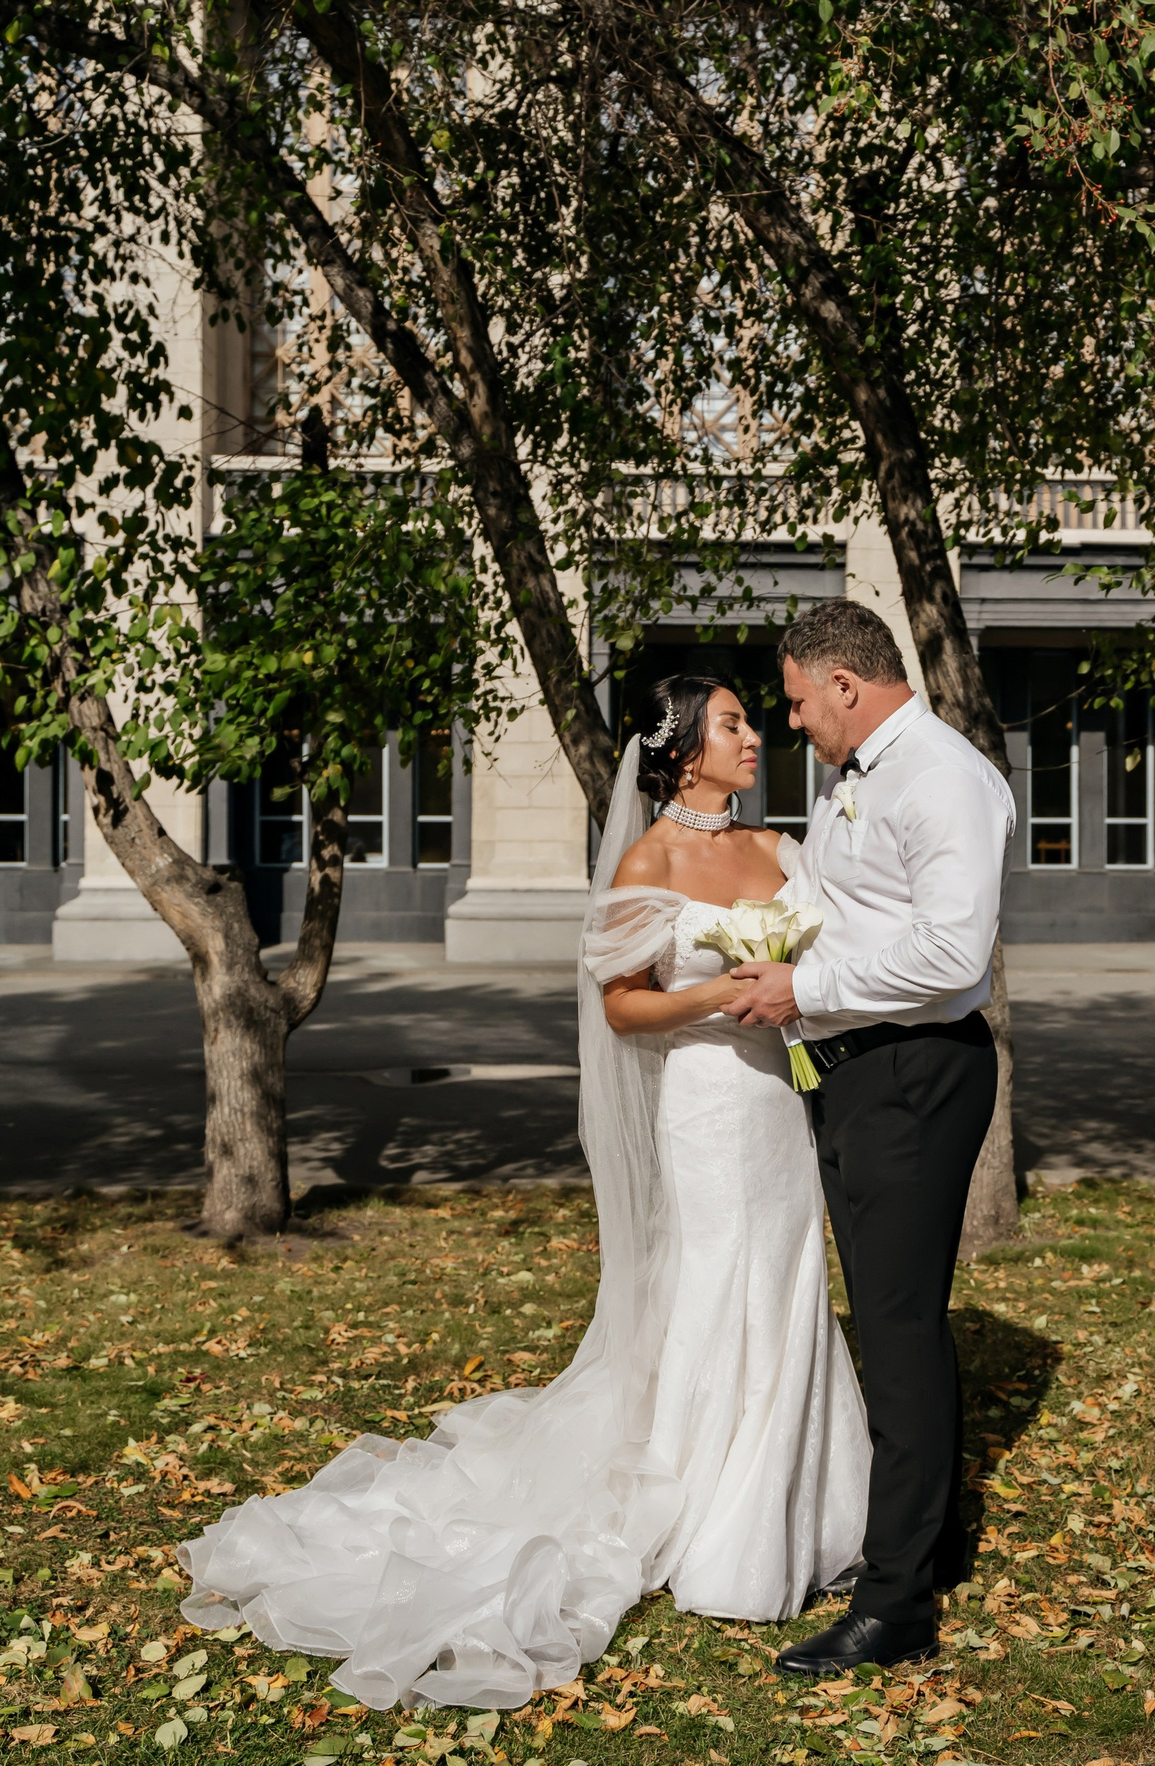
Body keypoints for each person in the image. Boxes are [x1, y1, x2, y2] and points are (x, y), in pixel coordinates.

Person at [171, 673, 867, 1710]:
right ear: (684, 749)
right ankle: (719, 1520)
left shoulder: (779, 850)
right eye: (733, 723)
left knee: (790, 1274)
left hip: (777, 1105)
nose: (754, 736)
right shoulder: (650, 860)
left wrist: (797, 989)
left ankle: (809, 1508)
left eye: (751, 720)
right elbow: (626, 1009)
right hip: (709, 1106)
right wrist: (715, 993)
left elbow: (835, 951)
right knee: (720, 1283)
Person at [721, 599, 1014, 1674]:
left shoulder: (940, 775)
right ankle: (918, 1542)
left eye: (797, 702)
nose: (793, 724)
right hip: (854, 1073)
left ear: (844, 683)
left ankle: (897, 1608)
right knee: (892, 1327)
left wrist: (807, 984)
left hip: (915, 1075)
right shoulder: (858, 775)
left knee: (895, 1334)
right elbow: (858, 909)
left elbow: (949, 954)